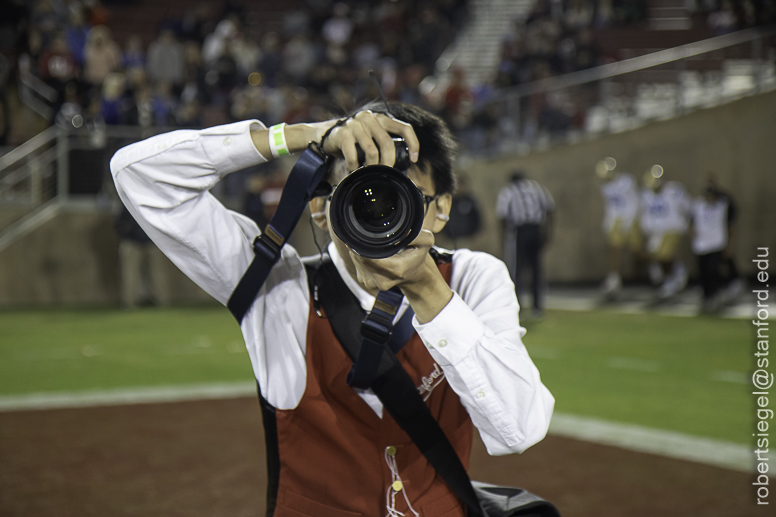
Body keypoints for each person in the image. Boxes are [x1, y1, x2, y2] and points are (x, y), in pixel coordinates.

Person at [111, 103, 554, 516]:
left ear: (440, 211)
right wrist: (306, 135)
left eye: (406, 196)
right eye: (364, 191)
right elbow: (137, 174)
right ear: (323, 209)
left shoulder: (472, 278)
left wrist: (427, 290)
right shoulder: (278, 288)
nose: (383, 210)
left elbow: (519, 429)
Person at [496, 170, 555, 319]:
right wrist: (548, 234)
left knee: (517, 269)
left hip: (519, 231)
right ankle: (537, 306)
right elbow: (550, 209)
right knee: (537, 268)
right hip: (536, 229)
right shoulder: (536, 188)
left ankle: (518, 306)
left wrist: (503, 240)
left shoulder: (508, 191)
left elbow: (502, 215)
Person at [690, 173, 742, 312]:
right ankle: (706, 296)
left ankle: (714, 295)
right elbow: (692, 222)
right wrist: (693, 233)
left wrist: (730, 243)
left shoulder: (723, 205)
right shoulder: (698, 205)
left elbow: (731, 224)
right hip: (701, 244)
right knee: (703, 273)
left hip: (716, 243)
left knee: (713, 271)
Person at [639, 165, 691, 299]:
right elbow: (646, 213)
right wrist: (646, 227)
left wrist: (687, 223)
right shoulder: (647, 194)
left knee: (664, 255)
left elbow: (688, 206)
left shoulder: (674, 191)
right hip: (657, 231)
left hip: (672, 228)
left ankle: (670, 282)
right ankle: (676, 271)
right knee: (654, 256)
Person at [595, 157, 640, 298]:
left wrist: (629, 220)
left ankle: (657, 269)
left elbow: (634, 201)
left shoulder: (626, 181)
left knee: (637, 252)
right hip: (616, 220)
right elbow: (611, 206)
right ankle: (613, 278)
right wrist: (607, 221)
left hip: (630, 219)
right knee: (613, 248)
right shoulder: (606, 186)